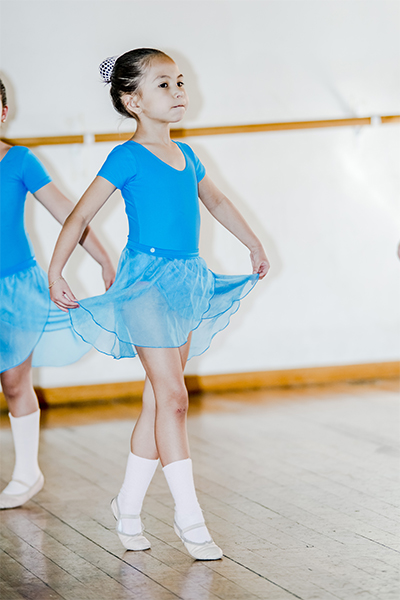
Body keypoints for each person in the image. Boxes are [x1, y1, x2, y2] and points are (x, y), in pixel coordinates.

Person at [49, 48, 270, 560]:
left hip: (187, 281)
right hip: (145, 283)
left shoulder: (188, 155)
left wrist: (252, 242)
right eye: (164, 85)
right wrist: (57, 270)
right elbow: (79, 217)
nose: (178, 92)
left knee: (157, 399)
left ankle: (127, 505)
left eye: (179, 82)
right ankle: (190, 518)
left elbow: (214, 201)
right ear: (133, 101)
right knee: (174, 398)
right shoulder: (126, 157)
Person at [0, 78, 115, 509]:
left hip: (15, 289)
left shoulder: (19, 161)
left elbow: (69, 212)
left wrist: (103, 257)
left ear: (4, 111)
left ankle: (27, 471)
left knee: (14, 382)